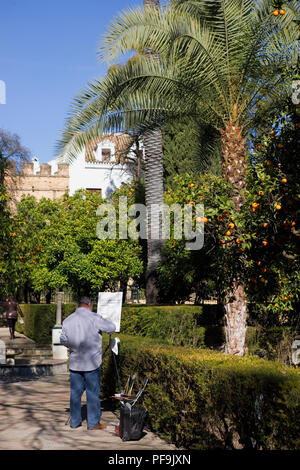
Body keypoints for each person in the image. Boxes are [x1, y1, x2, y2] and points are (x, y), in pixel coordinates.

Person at [60, 296, 116, 430]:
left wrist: (72, 347)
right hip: (92, 363)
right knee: (92, 393)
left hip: (75, 363)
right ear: (89, 305)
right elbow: (112, 328)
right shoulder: (95, 318)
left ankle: (74, 422)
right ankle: (93, 423)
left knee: (75, 393)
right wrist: (107, 320)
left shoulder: (68, 320)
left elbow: (63, 339)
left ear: (78, 305)